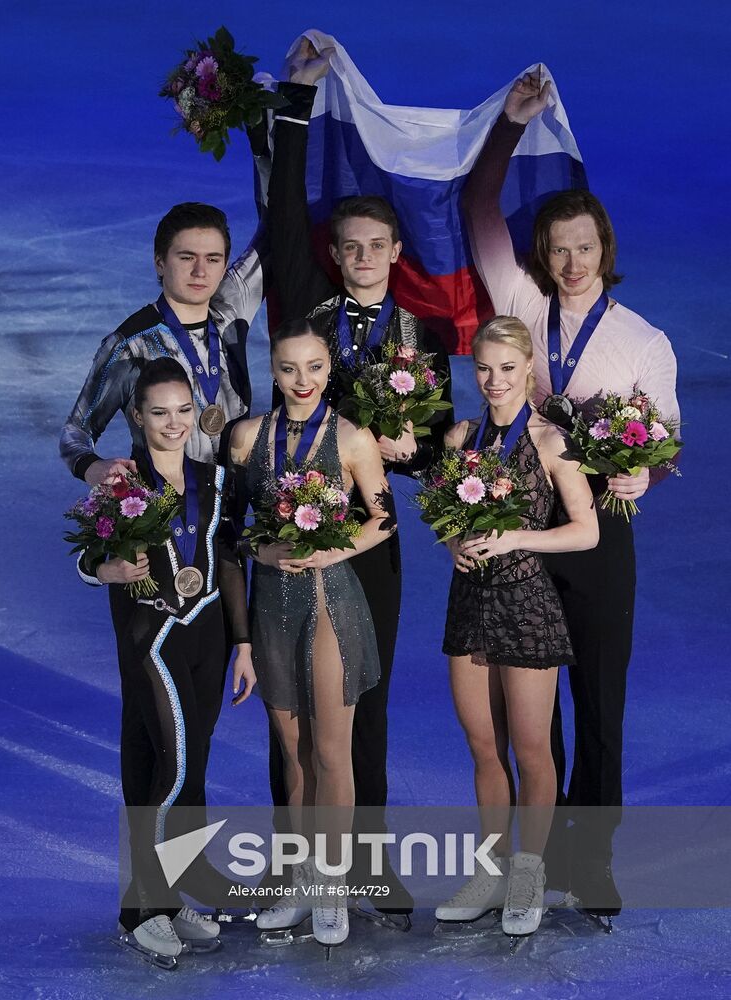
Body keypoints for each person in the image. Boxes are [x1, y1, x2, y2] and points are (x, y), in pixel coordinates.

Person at [462, 69, 680, 917]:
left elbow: (666, 443)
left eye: (584, 246)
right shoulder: (520, 302)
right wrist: (512, 125)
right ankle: (536, 856)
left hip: (601, 534)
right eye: (558, 247)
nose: (571, 260)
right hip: (521, 524)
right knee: (528, 699)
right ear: (543, 256)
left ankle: (593, 857)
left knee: (598, 702)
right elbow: (479, 209)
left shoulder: (642, 341)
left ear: (605, 249)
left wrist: (645, 473)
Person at [265, 39, 453, 916]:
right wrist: (299, 99)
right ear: (334, 254)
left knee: (361, 698)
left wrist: (401, 445)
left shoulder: (422, 335)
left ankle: (368, 862)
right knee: (292, 705)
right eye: (351, 246)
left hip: (372, 537)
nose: (365, 257)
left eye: (378, 245)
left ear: (394, 249)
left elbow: (433, 452)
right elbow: (277, 216)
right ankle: (297, 861)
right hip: (290, 538)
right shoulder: (308, 311)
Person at [78, 357, 255, 966]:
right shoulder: (122, 489)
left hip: (208, 637)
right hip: (151, 636)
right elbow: (85, 562)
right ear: (137, 415)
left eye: (183, 410)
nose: (174, 423)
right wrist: (111, 570)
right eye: (159, 412)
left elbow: (230, 560)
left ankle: (163, 903)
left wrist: (245, 643)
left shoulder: (215, 480)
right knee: (172, 767)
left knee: (191, 767)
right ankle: (147, 907)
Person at [230, 320, 396, 948]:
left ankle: (332, 886)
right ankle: (301, 880)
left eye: (316, 368)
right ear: (273, 372)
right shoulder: (247, 438)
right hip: (273, 605)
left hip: (331, 602)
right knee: (293, 754)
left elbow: (384, 519)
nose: (304, 382)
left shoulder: (352, 439)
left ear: (330, 370)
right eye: (290, 369)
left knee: (331, 751)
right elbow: (233, 527)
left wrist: (330, 553)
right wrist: (264, 552)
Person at [435, 316, 598, 938]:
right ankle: (490, 871)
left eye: (508, 369)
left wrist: (516, 536)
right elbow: (446, 517)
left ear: (528, 369)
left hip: (528, 606)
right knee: (483, 747)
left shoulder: (553, 442)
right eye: (484, 369)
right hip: (469, 605)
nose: (495, 380)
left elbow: (587, 529)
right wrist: (454, 544)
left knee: (532, 751)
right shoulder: (460, 440)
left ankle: (528, 875)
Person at [60, 200, 262, 486]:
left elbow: (277, 223)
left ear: (225, 265)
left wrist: (265, 156)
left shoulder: (231, 311)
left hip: (234, 517)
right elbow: (76, 430)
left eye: (213, 259)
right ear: (160, 262)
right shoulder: (130, 344)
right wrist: (92, 467)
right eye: (187, 257)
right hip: (165, 519)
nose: (200, 271)